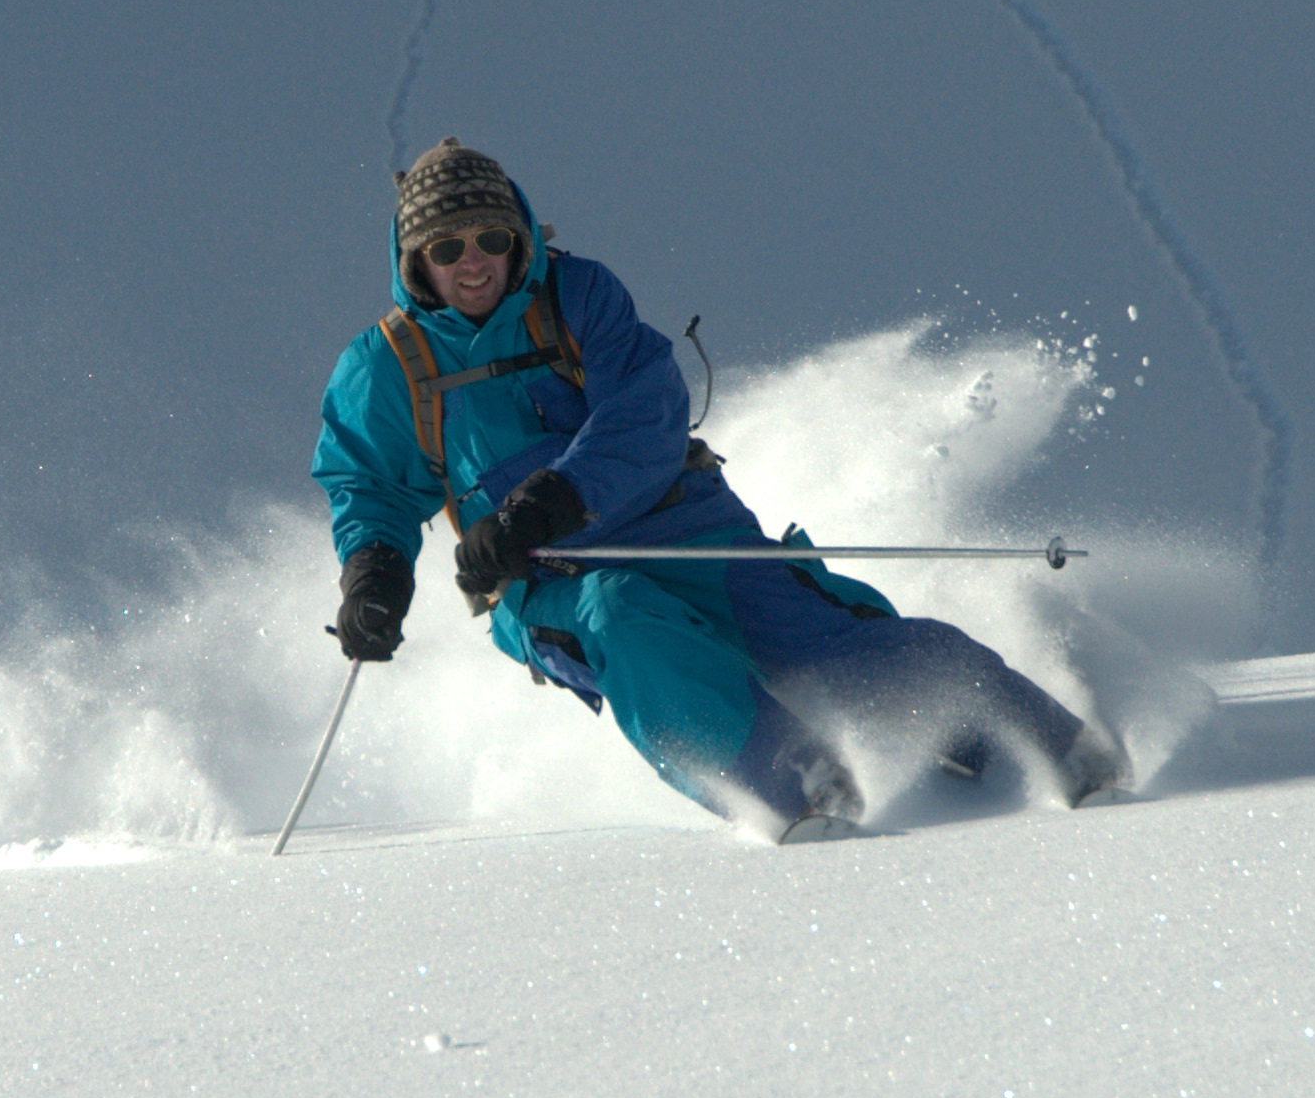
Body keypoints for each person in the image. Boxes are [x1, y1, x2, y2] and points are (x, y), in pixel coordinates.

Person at [312, 140, 1129, 838]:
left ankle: (1047, 745)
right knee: (622, 616)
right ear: (415, 260)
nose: (474, 261)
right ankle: (795, 782)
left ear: (519, 234)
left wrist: (557, 495)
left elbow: (644, 406)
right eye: (448, 249)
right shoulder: (389, 364)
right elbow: (369, 484)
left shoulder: (577, 295)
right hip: (549, 581)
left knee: (822, 643)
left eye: (490, 236)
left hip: (683, 527)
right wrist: (375, 575)